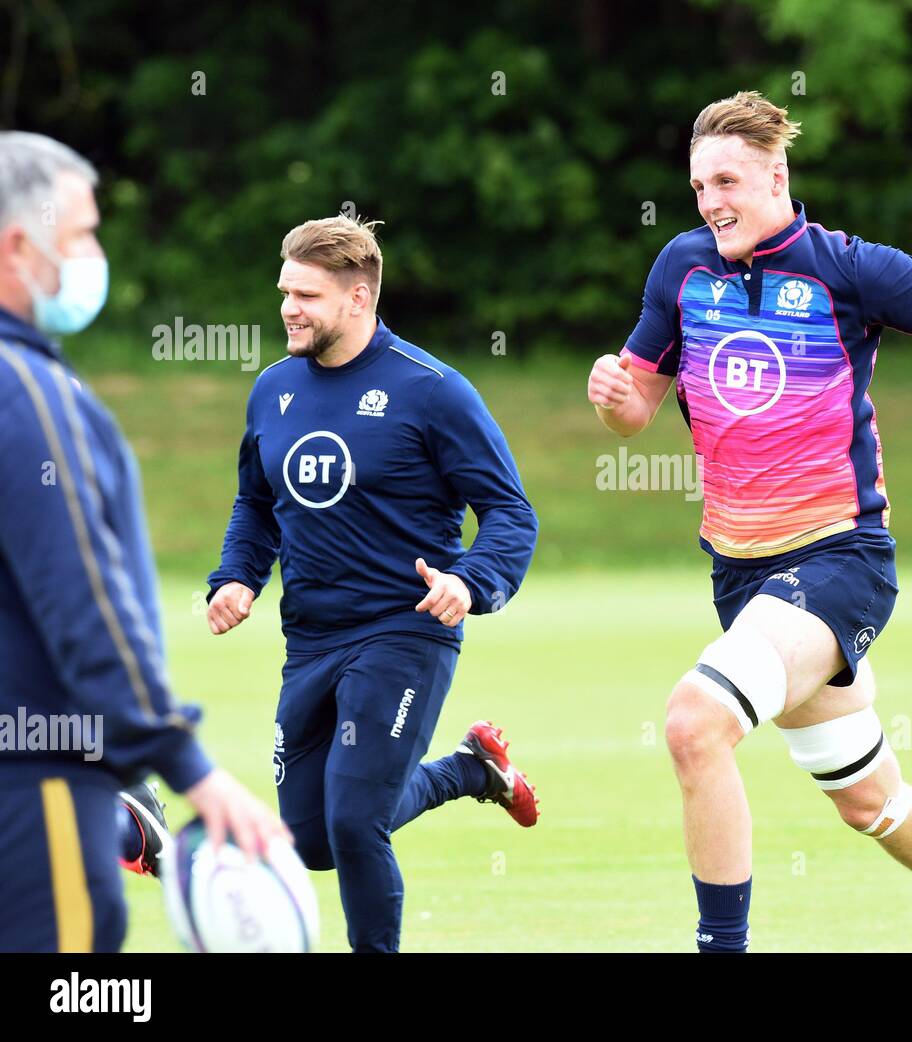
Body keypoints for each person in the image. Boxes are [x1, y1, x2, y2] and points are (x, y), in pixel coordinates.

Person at [587, 92, 912, 952]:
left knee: (695, 723)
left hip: (839, 560)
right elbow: (635, 409)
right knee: (866, 797)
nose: (710, 200)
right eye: (697, 186)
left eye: (726, 180)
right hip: (742, 573)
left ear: (776, 176)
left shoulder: (845, 267)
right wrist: (611, 396)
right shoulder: (682, 267)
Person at [207, 215, 540, 953]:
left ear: (358, 299)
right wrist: (235, 578)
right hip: (312, 638)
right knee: (312, 838)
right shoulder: (272, 391)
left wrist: (471, 580)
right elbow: (256, 505)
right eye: (285, 291)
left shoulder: (433, 391)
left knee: (356, 821)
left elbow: (512, 513)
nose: (289, 307)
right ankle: (468, 771)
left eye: (307, 294)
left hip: (405, 631)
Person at [0, 131, 287, 953]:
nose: (95, 255)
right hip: (36, 786)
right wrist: (182, 763)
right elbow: (84, 599)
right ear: (22, 246)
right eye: (84, 235)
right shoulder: (27, 393)